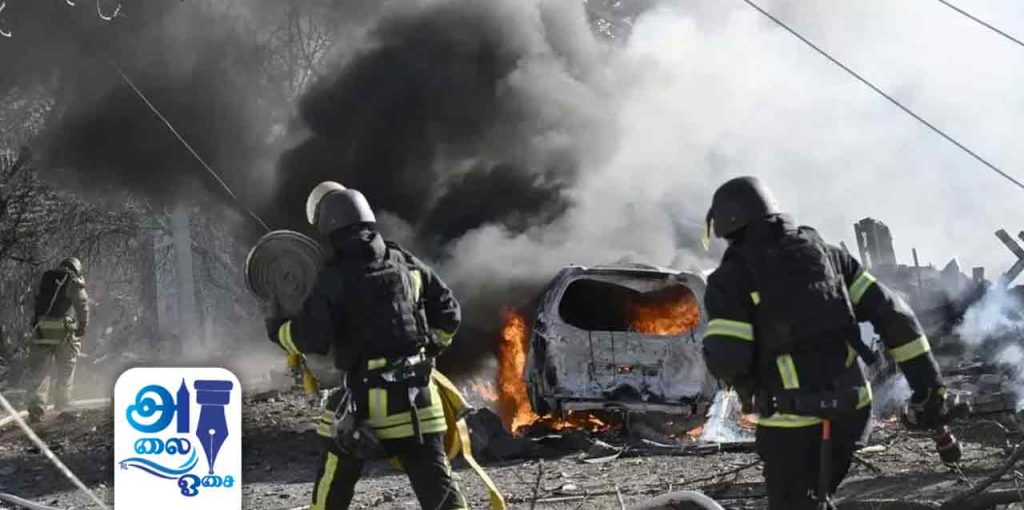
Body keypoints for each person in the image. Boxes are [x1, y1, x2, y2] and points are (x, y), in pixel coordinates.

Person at [700, 176, 949, 509]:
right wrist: (928, 387)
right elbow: (896, 317)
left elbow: (728, 359)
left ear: (729, 225)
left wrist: (727, 366)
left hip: (791, 423)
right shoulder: (829, 256)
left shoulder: (731, 279)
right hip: (851, 414)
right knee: (817, 496)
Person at [266, 181, 466, 510]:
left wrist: (278, 329)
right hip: (420, 408)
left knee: (332, 488)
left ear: (329, 227)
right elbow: (449, 312)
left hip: (363, 410)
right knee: (442, 497)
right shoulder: (405, 262)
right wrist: (431, 347)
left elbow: (310, 338)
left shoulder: (334, 277)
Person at [23, 257, 89, 423]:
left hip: (41, 330)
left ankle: (36, 408)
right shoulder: (72, 280)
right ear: (76, 269)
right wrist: (82, 325)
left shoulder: (45, 277)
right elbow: (82, 303)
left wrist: (34, 323)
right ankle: (63, 404)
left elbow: (31, 301)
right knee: (66, 368)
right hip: (63, 332)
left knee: (39, 371)